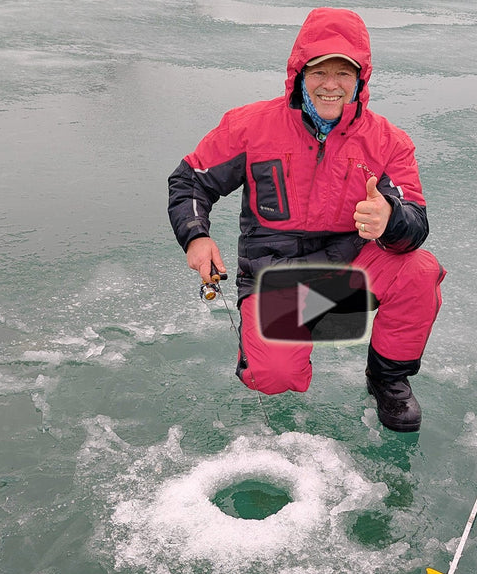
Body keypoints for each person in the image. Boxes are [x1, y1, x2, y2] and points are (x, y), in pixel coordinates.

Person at [167, 7, 444, 432]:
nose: (330, 84)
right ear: (299, 72)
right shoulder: (251, 126)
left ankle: (387, 379)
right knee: (274, 378)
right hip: (276, 276)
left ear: (360, 79)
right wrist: (195, 236)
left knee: (418, 271)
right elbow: (191, 181)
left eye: (344, 72)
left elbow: (415, 223)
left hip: (350, 268)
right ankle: (283, 336)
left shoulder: (389, 142)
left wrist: (390, 219)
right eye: (319, 71)